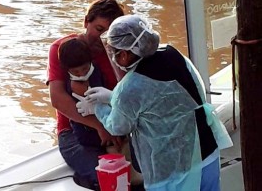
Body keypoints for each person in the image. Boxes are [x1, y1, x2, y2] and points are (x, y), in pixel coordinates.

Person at [76, 14, 233, 191]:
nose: (112, 57)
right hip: (207, 151)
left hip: (176, 171)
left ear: (125, 55)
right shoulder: (173, 54)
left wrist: (97, 107)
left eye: (113, 52)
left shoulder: (130, 86)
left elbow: (117, 126)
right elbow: (167, 100)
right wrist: (113, 97)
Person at [46, 0, 126, 190]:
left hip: (114, 124)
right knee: (106, 178)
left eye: (109, 33)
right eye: (99, 30)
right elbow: (58, 99)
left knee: (138, 172)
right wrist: (99, 126)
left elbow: (128, 91)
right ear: (86, 22)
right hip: (75, 131)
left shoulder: (118, 52)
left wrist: (114, 54)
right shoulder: (62, 49)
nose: (102, 38)